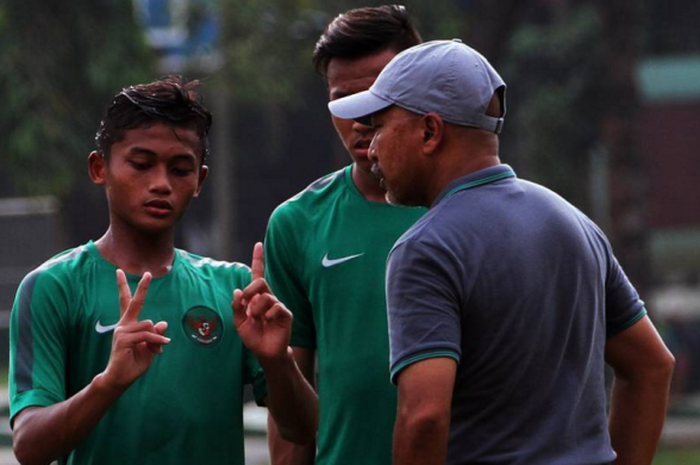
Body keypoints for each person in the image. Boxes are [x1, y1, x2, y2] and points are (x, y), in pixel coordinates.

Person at [329, 39, 675, 465]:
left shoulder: (426, 249)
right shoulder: (574, 223)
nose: (373, 147)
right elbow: (652, 365)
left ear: (429, 131)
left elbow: (423, 418)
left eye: (380, 125)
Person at [8, 76, 318, 465]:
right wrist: (108, 384)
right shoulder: (52, 287)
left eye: (180, 169)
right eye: (141, 164)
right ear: (99, 168)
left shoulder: (236, 289)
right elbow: (29, 446)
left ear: (200, 180)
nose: (160, 184)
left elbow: (302, 429)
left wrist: (278, 361)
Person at [264, 5, 424, 465]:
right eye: (343, 99)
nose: (360, 117)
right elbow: (291, 385)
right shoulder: (297, 224)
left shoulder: (466, 211)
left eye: (378, 94)